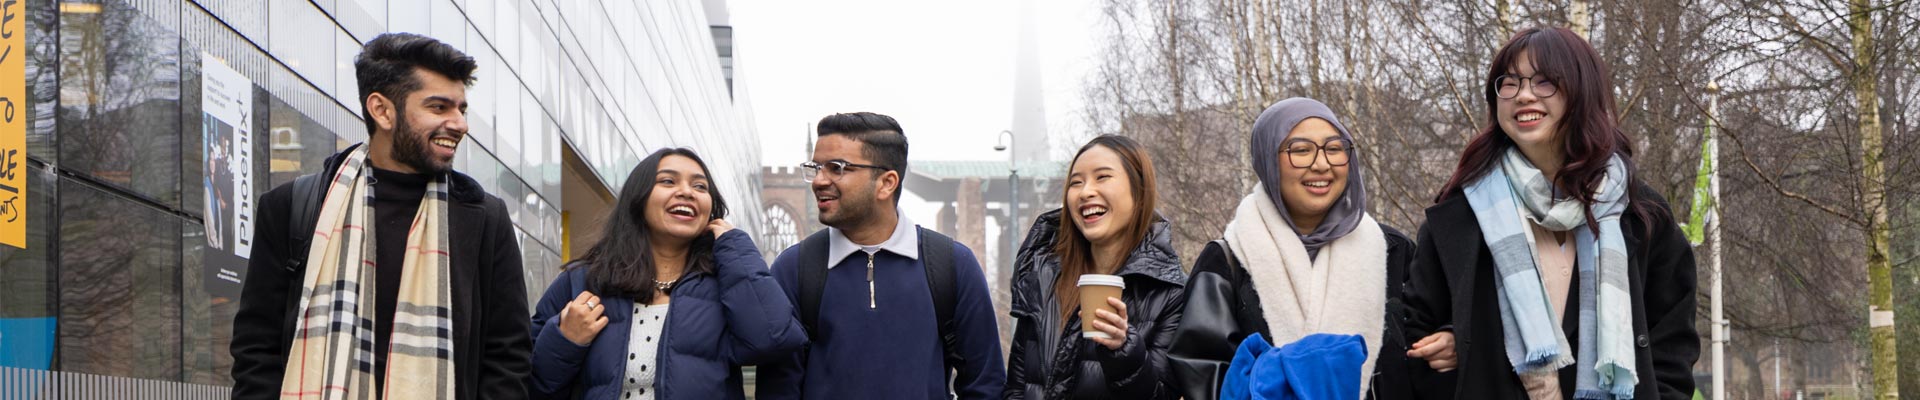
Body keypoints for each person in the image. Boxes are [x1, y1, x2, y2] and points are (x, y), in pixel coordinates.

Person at [1400, 26, 1700, 400]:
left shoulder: (1640, 214)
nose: (1523, 95)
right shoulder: (1462, 214)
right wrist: (1462, 341)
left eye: (1544, 82)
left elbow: (1672, 341)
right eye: (1508, 83)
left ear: (1581, 92)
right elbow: (1417, 333)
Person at [230, 32, 531, 399]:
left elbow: (508, 356)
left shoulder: (484, 218)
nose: (459, 124)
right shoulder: (294, 206)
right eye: (439, 107)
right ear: (382, 110)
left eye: (461, 109)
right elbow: (256, 347)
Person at [1166, 98, 1419, 400]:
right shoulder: (1227, 260)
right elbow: (1200, 376)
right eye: (1301, 150)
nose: (1322, 164)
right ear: (1267, 160)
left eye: (1335, 149)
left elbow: (1425, 352)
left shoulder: (1392, 251)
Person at [756, 112, 1006, 400]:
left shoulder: (953, 266)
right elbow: (777, 391)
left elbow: (986, 387)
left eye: (836, 168)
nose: (818, 181)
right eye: (816, 167)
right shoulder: (793, 269)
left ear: (887, 183)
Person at [527, 148, 807, 400]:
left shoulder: (727, 285)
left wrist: (736, 246)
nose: (686, 192)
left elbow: (774, 341)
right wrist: (565, 341)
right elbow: (531, 384)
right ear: (639, 198)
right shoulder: (581, 281)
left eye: (700, 186)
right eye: (668, 181)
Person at [1005, 134, 1187, 399]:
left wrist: (1124, 351)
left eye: (1102, 177)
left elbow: (1162, 395)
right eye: (1076, 182)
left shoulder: (1172, 291)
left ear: (1139, 191)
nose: (1086, 191)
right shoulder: (1043, 275)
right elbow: (1016, 387)